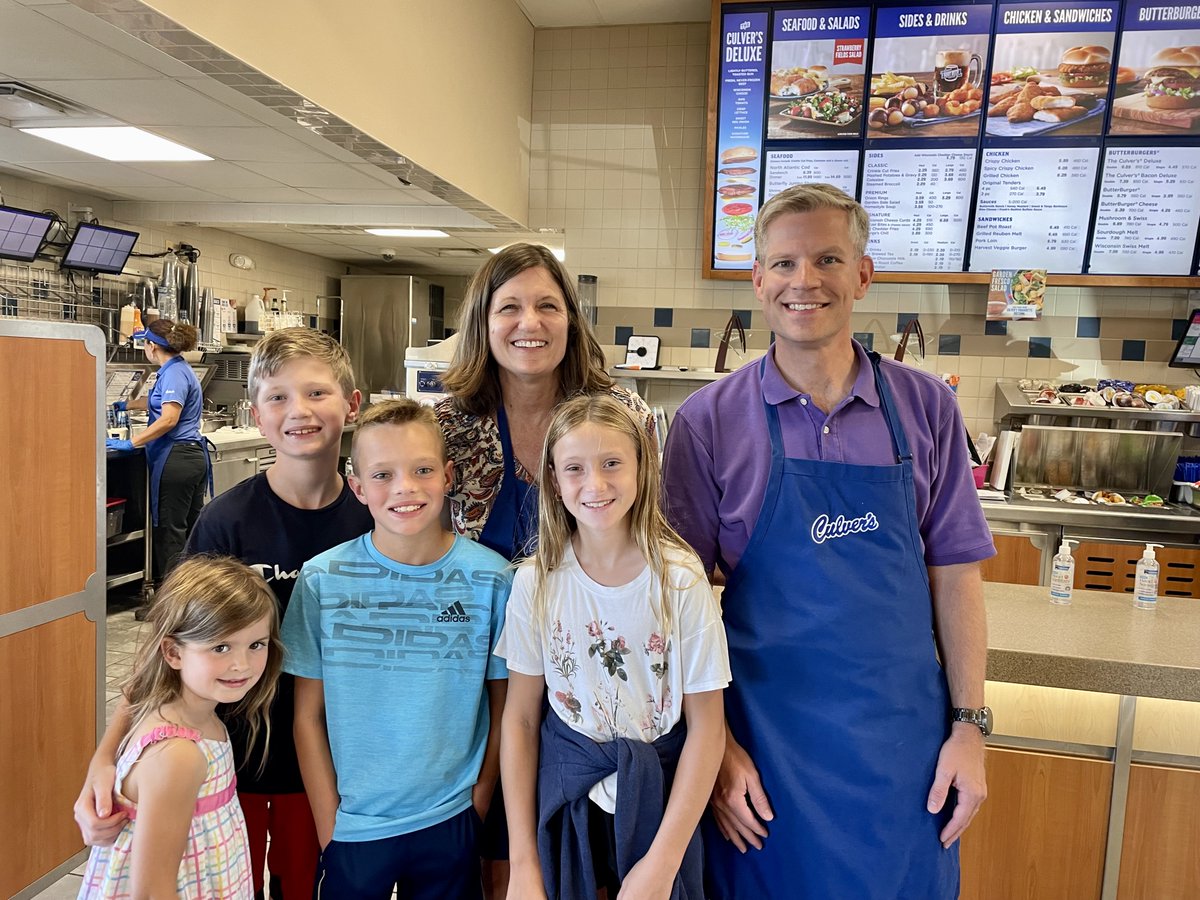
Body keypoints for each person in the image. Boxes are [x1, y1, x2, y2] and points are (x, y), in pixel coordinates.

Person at [661, 183, 995, 899]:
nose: (803, 281)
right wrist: (713, 749)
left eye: (827, 259)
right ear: (757, 281)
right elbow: (675, 608)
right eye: (782, 264)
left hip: (906, 758)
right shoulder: (707, 421)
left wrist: (970, 726)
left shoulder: (927, 407)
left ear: (863, 276)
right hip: (764, 761)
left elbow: (958, 578)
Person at [78, 328, 369, 900]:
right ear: (257, 416)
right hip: (228, 763)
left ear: (352, 405)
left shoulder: (374, 520)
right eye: (279, 397)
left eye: (317, 393)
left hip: (331, 768)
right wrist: (104, 756)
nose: (299, 411)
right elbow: (166, 643)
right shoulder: (226, 522)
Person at [435, 242, 654, 895]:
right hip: (472, 697)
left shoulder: (624, 419)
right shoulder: (448, 426)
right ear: (483, 322)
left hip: (591, 699)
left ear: (571, 321)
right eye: (510, 307)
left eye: (547, 306)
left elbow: (655, 544)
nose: (529, 323)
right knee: (487, 868)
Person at [498, 394, 730, 899]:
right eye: (575, 469)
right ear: (555, 481)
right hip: (568, 803)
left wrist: (662, 865)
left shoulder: (681, 580)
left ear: (643, 470)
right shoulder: (536, 583)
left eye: (611, 464)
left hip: (663, 803)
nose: (595, 485)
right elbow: (519, 720)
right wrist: (523, 863)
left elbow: (708, 728)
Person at [283, 399, 511, 899]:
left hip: (451, 817)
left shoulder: (492, 579)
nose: (405, 487)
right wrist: (331, 827)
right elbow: (306, 717)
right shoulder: (323, 580)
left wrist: (480, 800)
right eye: (383, 474)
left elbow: (502, 707)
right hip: (353, 825)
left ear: (449, 476)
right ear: (359, 486)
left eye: (423, 470)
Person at [77, 556, 282, 899]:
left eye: (256, 644)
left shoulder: (194, 714)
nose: (241, 665)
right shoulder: (178, 756)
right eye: (220, 647)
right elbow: (152, 892)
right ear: (173, 653)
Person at [105, 318, 209, 583]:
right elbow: (156, 403)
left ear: (151, 345)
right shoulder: (179, 368)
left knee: (170, 533)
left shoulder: (173, 373)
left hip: (176, 459)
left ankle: (170, 601)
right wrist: (124, 405)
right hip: (191, 458)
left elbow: (168, 419)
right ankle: (192, 595)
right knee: (189, 531)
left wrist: (132, 442)